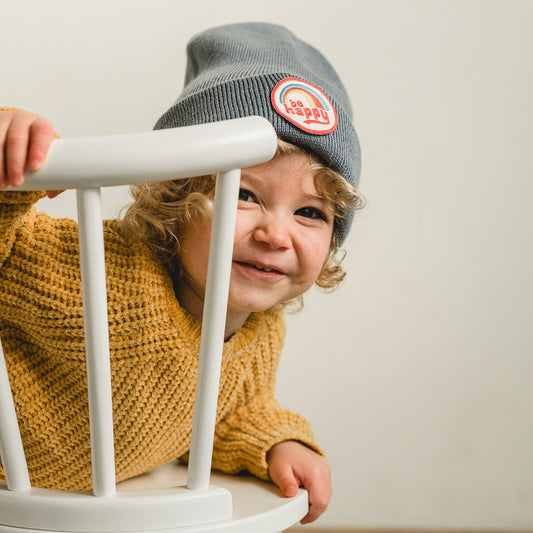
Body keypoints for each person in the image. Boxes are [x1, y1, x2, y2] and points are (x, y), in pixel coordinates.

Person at [0, 22, 363, 524]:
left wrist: (277, 441)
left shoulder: (259, 329)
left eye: (311, 213)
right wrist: (6, 152)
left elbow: (231, 413)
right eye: (243, 194)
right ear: (174, 200)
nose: (277, 235)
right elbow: (7, 248)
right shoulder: (97, 270)